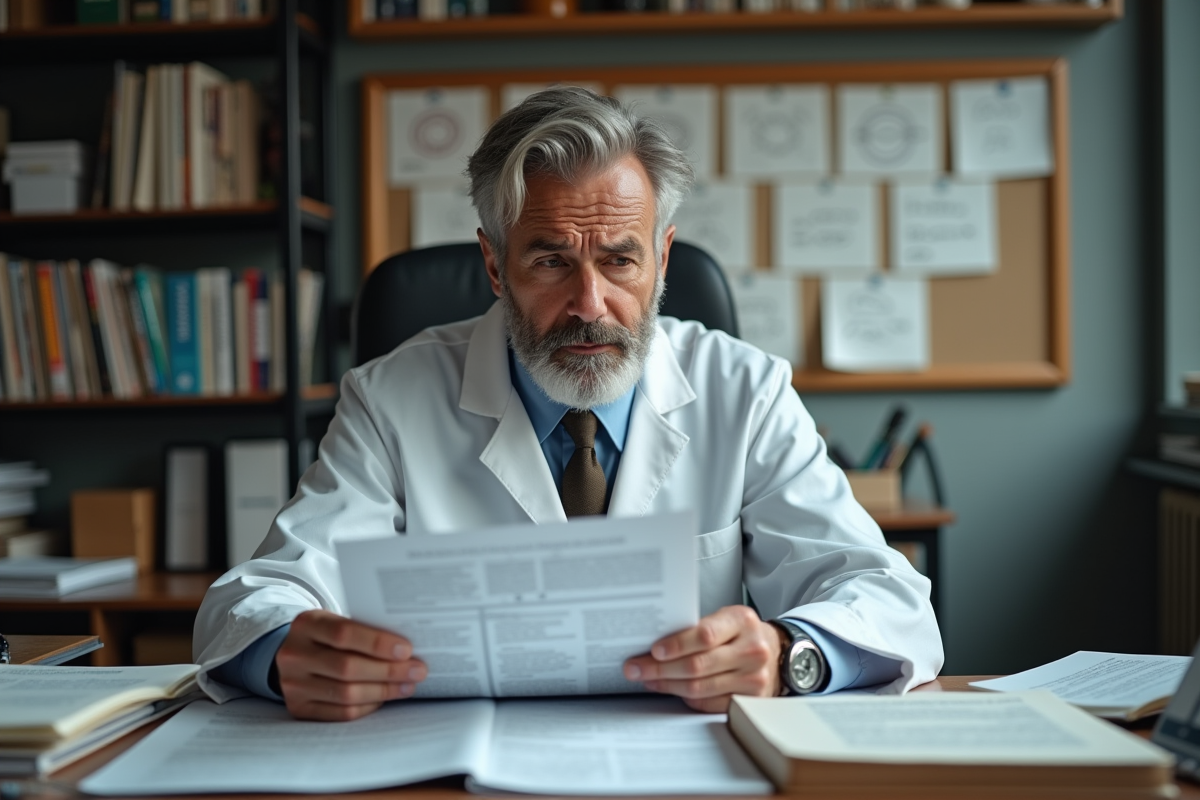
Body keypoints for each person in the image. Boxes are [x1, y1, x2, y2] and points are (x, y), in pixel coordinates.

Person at [194, 87, 943, 721]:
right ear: (495, 265)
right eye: (551, 260)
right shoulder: (390, 397)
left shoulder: (744, 390)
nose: (590, 304)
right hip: (454, 760)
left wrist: (790, 655)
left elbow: (888, 597)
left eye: (620, 260)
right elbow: (255, 597)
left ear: (662, 259)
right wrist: (285, 654)